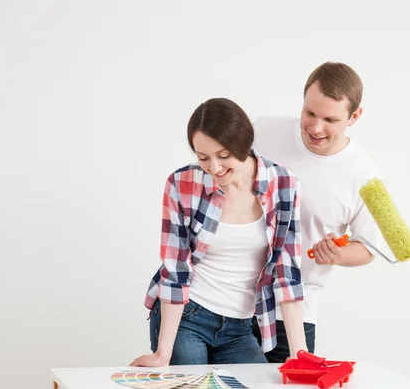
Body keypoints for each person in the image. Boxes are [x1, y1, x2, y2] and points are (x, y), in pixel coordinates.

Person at [130, 98, 307, 367]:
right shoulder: (182, 183)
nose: (214, 167)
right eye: (203, 157)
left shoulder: (283, 183)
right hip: (188, 315)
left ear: (244, 146)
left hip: (240, 327)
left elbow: (287, 270)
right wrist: (162, 354)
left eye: (223, 155)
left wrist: (300, 355)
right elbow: (176, 268)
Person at [252, 62, 385, 363]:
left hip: (295, 312)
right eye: (310, 113)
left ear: (355, 116)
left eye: (330, 119)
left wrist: (338, 254)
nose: (315, 127)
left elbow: (368, 249)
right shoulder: (261, 131)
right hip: (231, 300)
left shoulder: (367, 176)